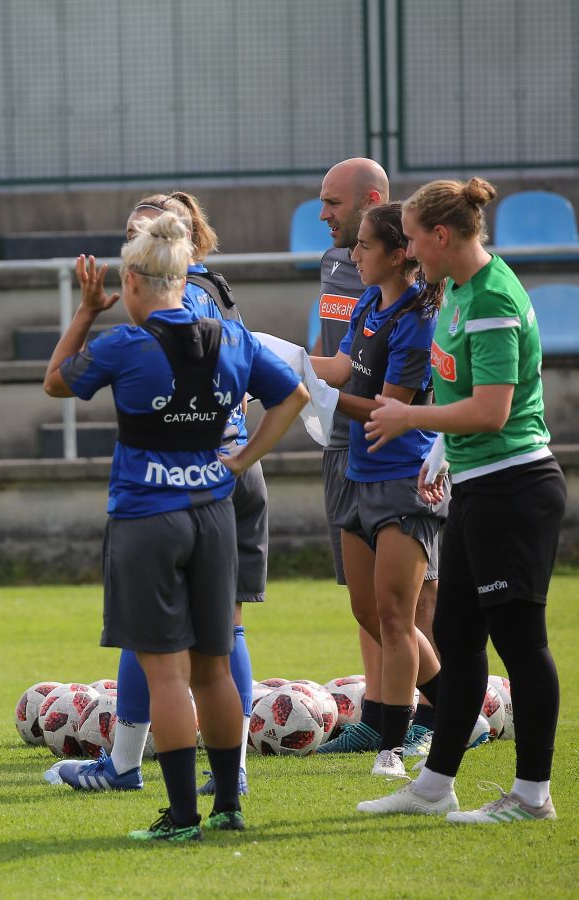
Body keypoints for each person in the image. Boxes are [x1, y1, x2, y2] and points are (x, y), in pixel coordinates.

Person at [44, 212, 308, 840]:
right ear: (183, 278)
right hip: (215, 515)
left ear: (132, 282)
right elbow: (295, 395)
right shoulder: (233, 337)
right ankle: (229, 806)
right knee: (214, 667)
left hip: (146, 518)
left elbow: (56, 381)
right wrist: (244, 457)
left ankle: (182, 814)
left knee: (166, 674)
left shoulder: (125, 344)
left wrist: (85, 311)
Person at [359, 178, 565, 823]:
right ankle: (434, 785)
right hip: (479, 486)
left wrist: (408, 418)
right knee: (454, 633)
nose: (411, 252)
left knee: (521, 642)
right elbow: (462, 402)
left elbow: (492, 409)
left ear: (442, 236)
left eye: (415, 240)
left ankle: (533, 795)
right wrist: (439, 453)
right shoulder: (455, 292)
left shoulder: (493, 298)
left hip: (515, 488)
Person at [309, 202, 445, 777]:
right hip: (358, 473)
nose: (353, 254)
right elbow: (339, 370)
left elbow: (392, 408)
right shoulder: (368, 301)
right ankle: (455, 700)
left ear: (397, 254)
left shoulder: (417, 318)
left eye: (364, 246)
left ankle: (393, 746)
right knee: (370, 610)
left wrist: (314, 396)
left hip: (400, 478)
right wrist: (271, 359)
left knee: (395, 614)